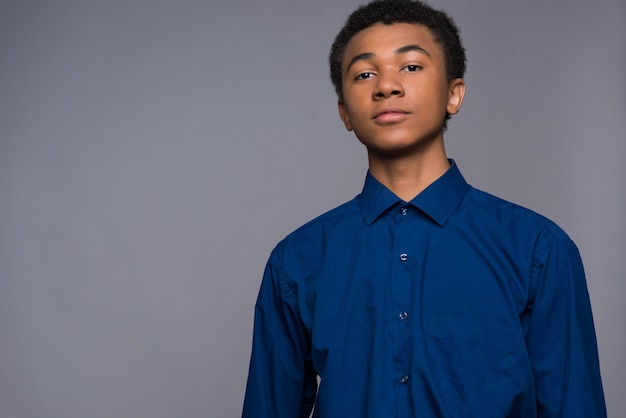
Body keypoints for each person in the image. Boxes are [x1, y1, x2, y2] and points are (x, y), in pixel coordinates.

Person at [242, 0, 606, 416]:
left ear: (454, 94)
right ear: (345, 112)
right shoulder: (297, 261)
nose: (386, 86)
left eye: (411, 67)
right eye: (364, 74)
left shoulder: (538, 251)